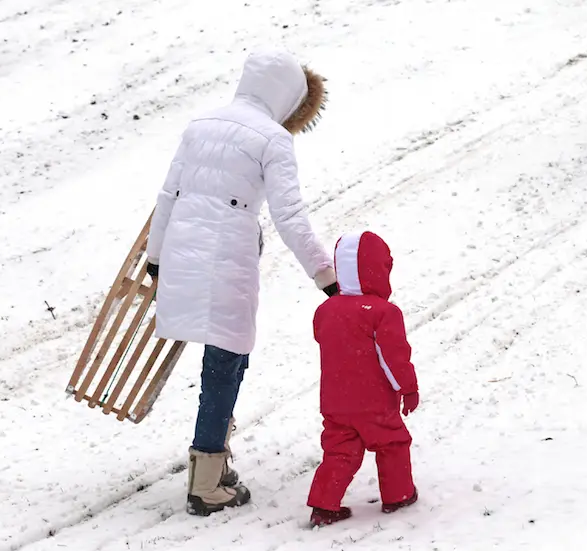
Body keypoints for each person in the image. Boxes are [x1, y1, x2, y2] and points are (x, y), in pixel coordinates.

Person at [145, 49, 339, 517]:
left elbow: (168, 194)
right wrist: (325, 275)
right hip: (226, 259)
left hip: (182, 252)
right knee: (225, 364)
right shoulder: (272, 139)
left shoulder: (201, 123)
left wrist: (156, 257)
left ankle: (211, 464)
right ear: (289, 97)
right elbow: (290, 216)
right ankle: (206, 483)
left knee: (223, 363)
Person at [306, 230, 420, 527]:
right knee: (392, 444)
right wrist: (408, 389)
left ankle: (323, 505)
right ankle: (399, 495)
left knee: (340, 451)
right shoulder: (383, 312)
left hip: (335, 402)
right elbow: (393, 357)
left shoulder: (325, 311)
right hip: (374, 402)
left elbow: (322, 338)